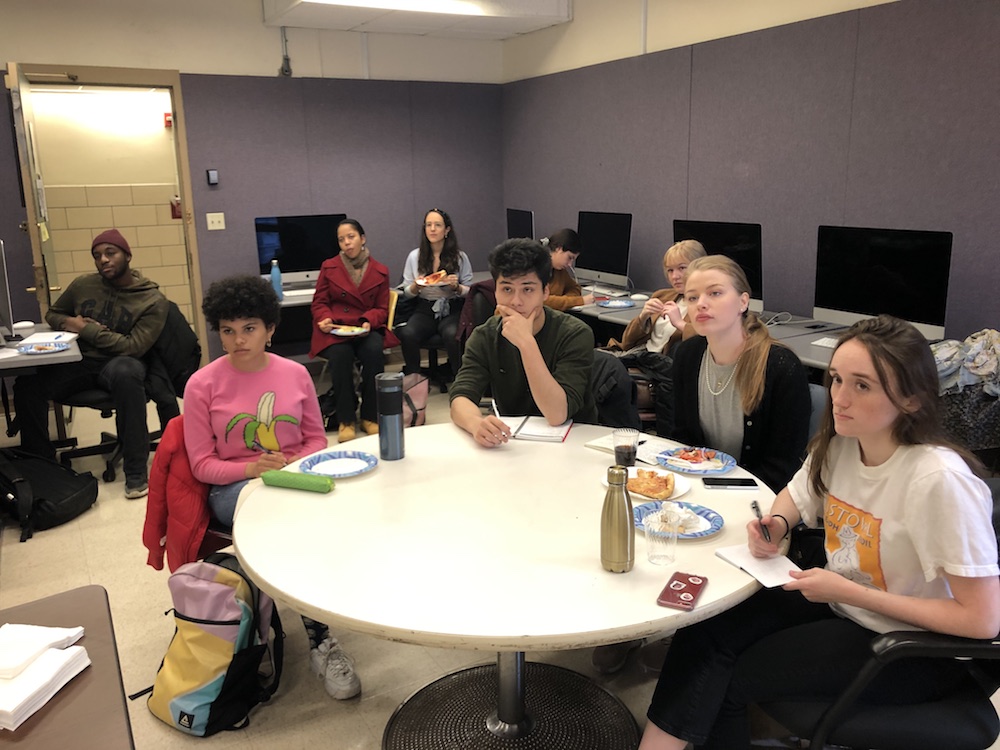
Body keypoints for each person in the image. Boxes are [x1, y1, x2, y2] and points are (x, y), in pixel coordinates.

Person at [639, 315, 1000, 749]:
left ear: (910, 399)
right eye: (836, 380)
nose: (839, 399)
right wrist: (776, 523)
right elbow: (796, 496)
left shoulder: (938, 481)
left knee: (734, 675)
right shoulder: (844, 441)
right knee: (706, 626)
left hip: (909, 647)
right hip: (844, 605)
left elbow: (981, 620)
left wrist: (848, 593)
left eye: (862, 385)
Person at [183, 274, 361, 701]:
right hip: (235, 487)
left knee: (338, 509)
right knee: (286, 524)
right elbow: (203, 465)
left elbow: (318, 440)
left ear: (270, 329)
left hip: (295, 476)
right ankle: (319, 637)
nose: (238, 339)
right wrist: (253, 469)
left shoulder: (296, 374)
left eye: (249, 328)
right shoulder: (201, 385)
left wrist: (295, 464)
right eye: (228, 330)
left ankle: (310, 618)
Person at [13, 228, 168, 499]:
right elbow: (54, 313)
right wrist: (70, 322)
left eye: (111, 253)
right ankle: (40, 465)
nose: (104, 260)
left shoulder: (152, 300)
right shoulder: (84, 284)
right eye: (97, 256)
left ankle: (135, 471)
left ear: (127, 255)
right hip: (81, 362)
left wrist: (86, 330)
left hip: (120, 363)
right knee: (28, 385)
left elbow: (133, 347)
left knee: (127, 374)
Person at [450, 238, 597, 447]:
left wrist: (526, 343)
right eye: (507, 289)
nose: (516, 302)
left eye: (527, 289)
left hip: (574, 443)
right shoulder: (485, 335)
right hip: (515, 443)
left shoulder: (575, 334)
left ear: (545, 292)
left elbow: (556, 414)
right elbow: (461, 396)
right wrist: (475, 423)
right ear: (496, 291)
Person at [605, 239, 707, 440]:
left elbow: (709, 339)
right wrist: (643, 317)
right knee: (596, 363)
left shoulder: (705, 303)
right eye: (670, 270)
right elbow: (627, 342)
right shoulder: (663, 295)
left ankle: (626, 438)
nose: (675, 276)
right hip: (643, 357)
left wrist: (680, 324)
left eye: (682, 268)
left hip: (662, 367)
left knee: (609, 374)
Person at [310, 218, 393, 444]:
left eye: (351, 237)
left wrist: (368, 320)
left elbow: (382, 308)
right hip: (337, 328)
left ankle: (369, 416)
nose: (347, 243)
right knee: (340, 355)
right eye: (341, 239)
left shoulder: (380, 271)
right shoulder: (329, 267)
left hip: (366, 327)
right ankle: (346, 419)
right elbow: (319, 302)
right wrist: (324, 318)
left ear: (362, 238)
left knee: (374, 352)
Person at [397, 208, 473, 379]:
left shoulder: (460, 257)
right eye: (428, 225)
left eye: (437, 225)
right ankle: (413, 379)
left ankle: (460, 380)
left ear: (447, 230)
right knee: (408, 333)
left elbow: (469, 292)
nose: (432, 229)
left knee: (452, 334)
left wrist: (457, 287)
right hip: (425, 307)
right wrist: (416, 286)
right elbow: (406, 293)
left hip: (452, 307)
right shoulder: (414, 257)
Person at [541, 228, 595, 310]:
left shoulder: (559, 271)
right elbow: (541, 300)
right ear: (558, 249)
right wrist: (578, 301)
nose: (570, 264)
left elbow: (575, 288)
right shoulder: (534, 268)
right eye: (569, 257)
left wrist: (565, 301)